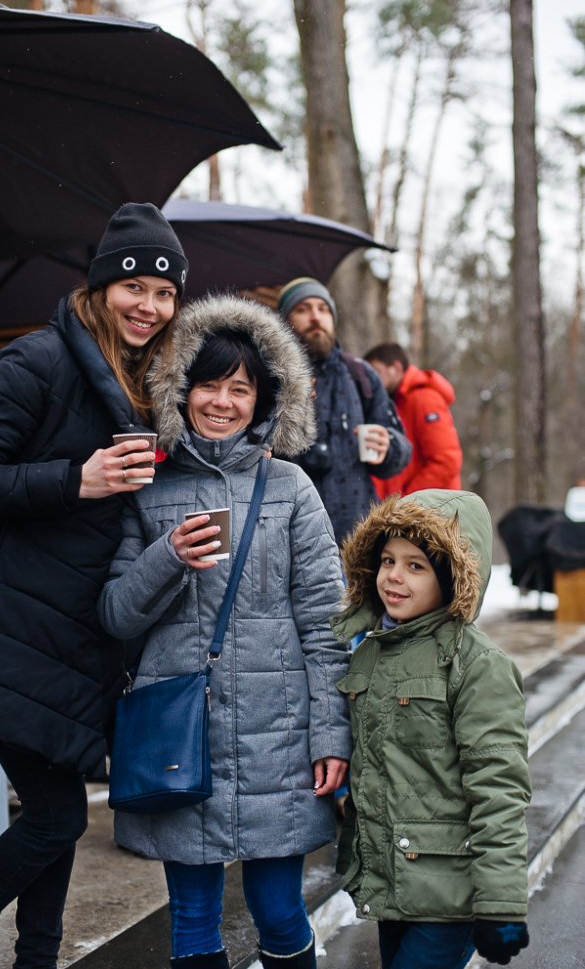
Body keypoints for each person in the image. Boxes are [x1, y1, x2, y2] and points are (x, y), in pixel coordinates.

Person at [0, 203, 189, 969]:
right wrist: (74, 479)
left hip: (74, 634)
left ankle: (38, 956)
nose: (149, 305)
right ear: (103, 283)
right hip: (5, 625)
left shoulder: (144, 382)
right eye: (135, 285)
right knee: (54, 816)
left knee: (60, 811)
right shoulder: (36, 360)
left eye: (166, 293)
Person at [98, 294, 351, 969]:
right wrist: (166, 556)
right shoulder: (146, 488)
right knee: (192, 917)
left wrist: (332, 734)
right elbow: (116, 615)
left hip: (280, 739)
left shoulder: (291, 487)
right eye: (208, 383)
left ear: (265, 399)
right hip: (181, 736)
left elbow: (327, 625)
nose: (222, 401)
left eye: (240, 388)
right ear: (179, 388)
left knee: (277, 910)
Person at [332, 489, 531, 969]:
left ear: (453, 576)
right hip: (391, 882)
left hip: (449, 892)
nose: (393, 577)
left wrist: (501, 903)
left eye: (416, 566)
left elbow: (498, 787)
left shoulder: (475, 664)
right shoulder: (369, 653)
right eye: (386, 561)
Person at [276, 278, 411, 545]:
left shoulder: (360, 374)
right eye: (303, 309)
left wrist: (389, 446)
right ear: (284, 320)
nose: (316, 316)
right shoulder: (269, 375)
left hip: (356, 538)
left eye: (323, 309)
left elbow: (403, 447)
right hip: (289, 535)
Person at [365, 341, 462, 496]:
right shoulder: (394, 402)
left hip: (431, 513)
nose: (371, 381)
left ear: (396, 368)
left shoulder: (423, 398)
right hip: (410, 513)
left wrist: (407, 502)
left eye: (376, 372)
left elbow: (446, 461)